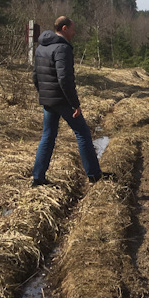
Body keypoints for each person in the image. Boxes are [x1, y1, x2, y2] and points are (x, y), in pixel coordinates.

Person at [31, 15, 107, 186]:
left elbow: (35, 76)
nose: (75, 31)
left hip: (48, 101)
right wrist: (75, 104)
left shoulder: (41, 47)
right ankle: (94, 175)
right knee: (83, 133)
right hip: (63, 100)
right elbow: (64, 79)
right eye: (73, 28)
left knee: (48, 136)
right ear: (64, 28)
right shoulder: (62, 48)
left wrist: (43, 95)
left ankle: (38, 177)